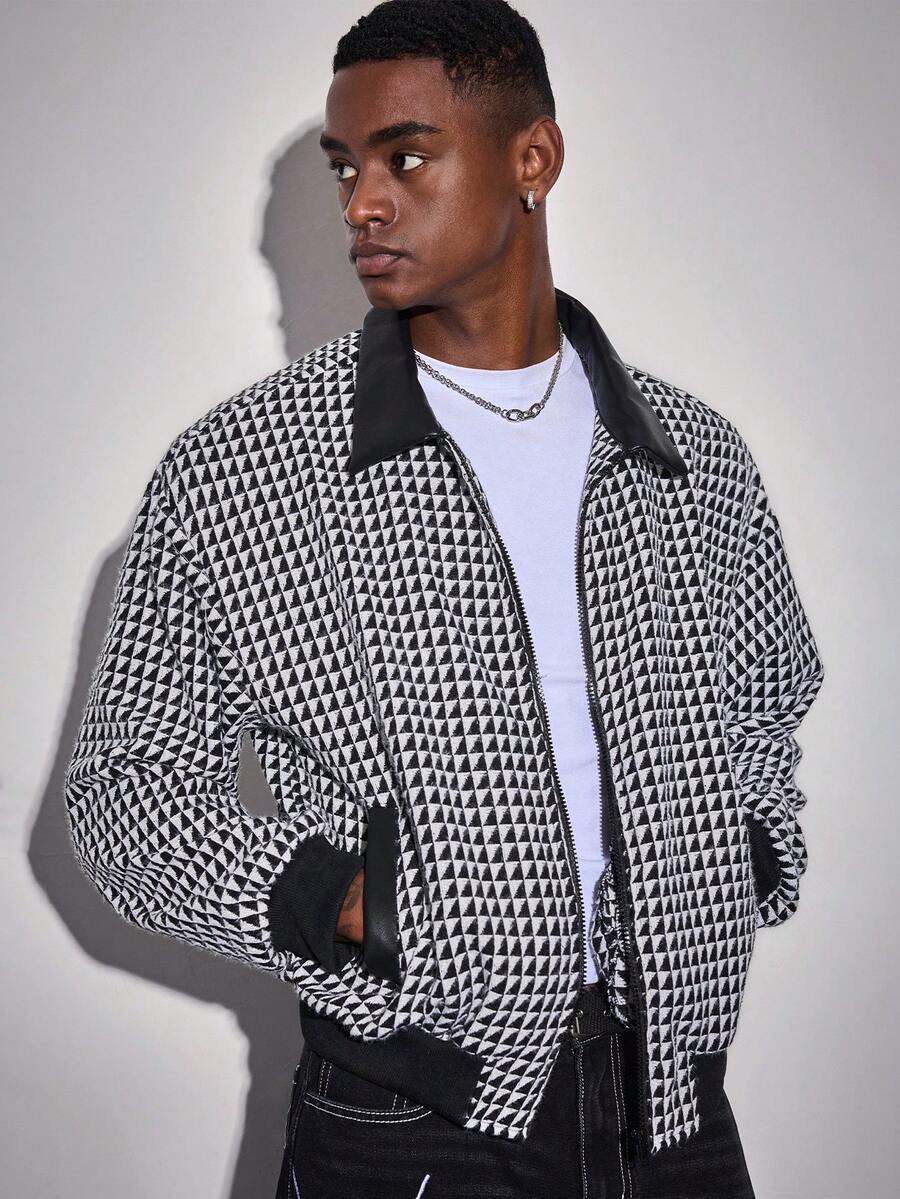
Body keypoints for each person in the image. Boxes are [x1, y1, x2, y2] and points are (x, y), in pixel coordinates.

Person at [63, 2, 825, 1196]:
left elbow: (768, 698)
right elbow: (123, 790)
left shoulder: (692, 454)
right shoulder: (247, 469)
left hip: (675, 1105)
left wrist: (739, 850)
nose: (362, 203)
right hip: (407, 1116)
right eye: (345, 167)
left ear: (533, 160)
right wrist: (341, 901)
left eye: (406, 158)